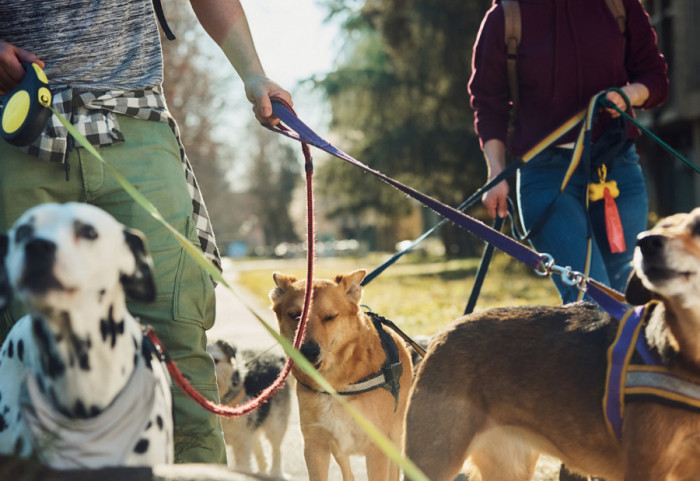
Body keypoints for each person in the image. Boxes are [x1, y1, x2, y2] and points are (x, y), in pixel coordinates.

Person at [0, 0, 292, 464]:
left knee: (179, 343)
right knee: (24, 345)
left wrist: (252, 72)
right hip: (16, 127)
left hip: (136, 122)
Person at [468, 0, 668, 304]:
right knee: (595, 303)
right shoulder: (506, 17)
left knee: (632, 299)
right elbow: (488, 103)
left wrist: (629, 95)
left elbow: (654, 77)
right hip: (546, 177)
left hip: (617, 170)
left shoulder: (619, 4)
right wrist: (495, 172)